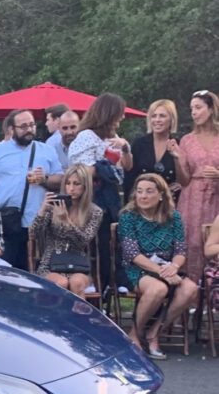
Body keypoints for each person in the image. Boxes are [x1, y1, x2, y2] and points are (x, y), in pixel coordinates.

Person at [119, 173, 195, 358]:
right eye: (139, 192)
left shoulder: (174, 216)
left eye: (149, 191)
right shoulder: (128, 216)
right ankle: (134, 335)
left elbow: (180, 250)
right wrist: (163, 271)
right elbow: (132, 254)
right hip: (137, 268)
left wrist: (174, 267)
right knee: (158, 289)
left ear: (161, 194)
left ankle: (154, 333)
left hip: (167, 267)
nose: (143, 196)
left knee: (190, 289)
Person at [0, 109, 63, 270]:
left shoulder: (46, 150)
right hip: (7, 222)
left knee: (36, 271)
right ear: (11, 129)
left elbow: (60, 180)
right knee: (6, 271)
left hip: (38, 223)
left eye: (31, 125)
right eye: (23, 126)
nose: (29, 129)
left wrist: (44, 179)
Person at [68, 93, 134, 292]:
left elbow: (127, 167)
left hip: (110, 197)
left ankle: (112, 280)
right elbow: (81, 170)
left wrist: (126, 148)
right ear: (109, 113)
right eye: (119, 113)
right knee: (97, 244)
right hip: (93, 198)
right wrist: (105, 164)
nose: (122, 118)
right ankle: (96, 283)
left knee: (110, 242)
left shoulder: (113, 138)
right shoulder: (87, 137)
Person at [28, 164, 103, 294]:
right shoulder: (53, 207)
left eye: (76, 184)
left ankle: (78, 315)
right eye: (68, 184)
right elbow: (33, 234)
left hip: (77, 263)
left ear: (85, 186)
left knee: (77, 283)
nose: (71, 188)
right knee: (61, 283)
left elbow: (83, 241)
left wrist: (67, 222)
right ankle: (57, 314)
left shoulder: (94, 211)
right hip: (51, 263)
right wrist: (42, 209)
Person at [175, 89, 219, 283]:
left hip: (216, 197)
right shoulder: (187, 140)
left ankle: (213, 295)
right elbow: (183, 179)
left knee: (213, 243)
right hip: (191, 198)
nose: (194, 112)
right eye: (192, 108)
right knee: (191, 243)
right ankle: (191, 296)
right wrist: (177, 159)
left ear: (210, 109)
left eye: (199, 107)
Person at [125, 99, 182, 202]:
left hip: (168, 205)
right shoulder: (139, 144)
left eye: (162, 116)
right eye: (154, 116)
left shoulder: (179, 145)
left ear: (172, 119)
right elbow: (129, 177)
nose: (157, 120)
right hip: (140, 204)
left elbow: (183, 179)